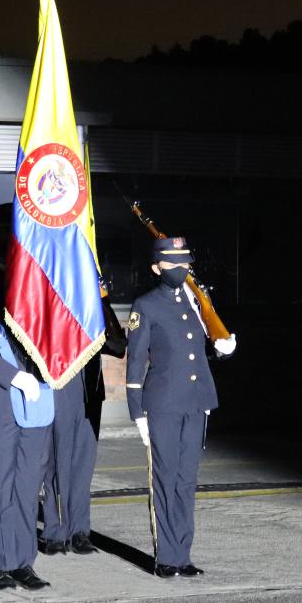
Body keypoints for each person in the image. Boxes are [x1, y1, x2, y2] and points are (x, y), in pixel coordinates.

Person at [0, 203, 66, 591]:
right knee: (0, 481)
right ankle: (0, 563)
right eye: (1, 237)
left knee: (27, 482)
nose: (8, 244)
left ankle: (24, 562)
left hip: (38, 392)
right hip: (1, 393)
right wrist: (12, 376)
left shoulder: (39, 284)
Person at [125, 236, 237, 577]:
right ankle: (166, 557)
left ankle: (183, 556)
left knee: (187, 480)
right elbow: (135, 365)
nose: (181, 270)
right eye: (173, 265)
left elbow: (197, 350)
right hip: (162, 406)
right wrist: (137, 412)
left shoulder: (195, 301)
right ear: (156, 268)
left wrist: (221, 348)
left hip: (196, 402)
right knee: (166, 478)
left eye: (184, 264)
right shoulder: (145, 306)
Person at [41, 296, 126, 555]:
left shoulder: (92, 303)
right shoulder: (54, 294)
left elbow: (117, 344)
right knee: (57, 462)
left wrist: (103, 301)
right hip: (61, 386)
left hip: (89, 391)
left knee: (82, 464)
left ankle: (79, 530)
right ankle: (55, 530)